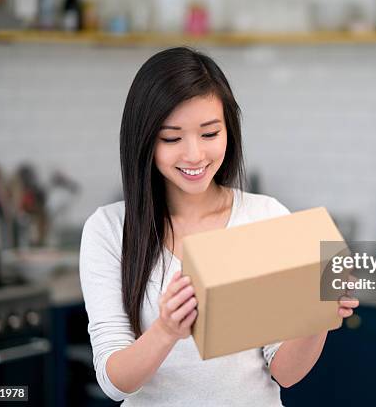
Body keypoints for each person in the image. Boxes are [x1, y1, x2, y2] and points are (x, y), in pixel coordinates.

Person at [79, 46, 359, 406]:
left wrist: (320, 314)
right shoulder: (108, 230)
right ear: (144, 140)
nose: (194, 154)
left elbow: (285, 373)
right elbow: (114, 382)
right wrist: (165, 331)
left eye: (210, 134)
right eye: (172, 138)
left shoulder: (266, 217)